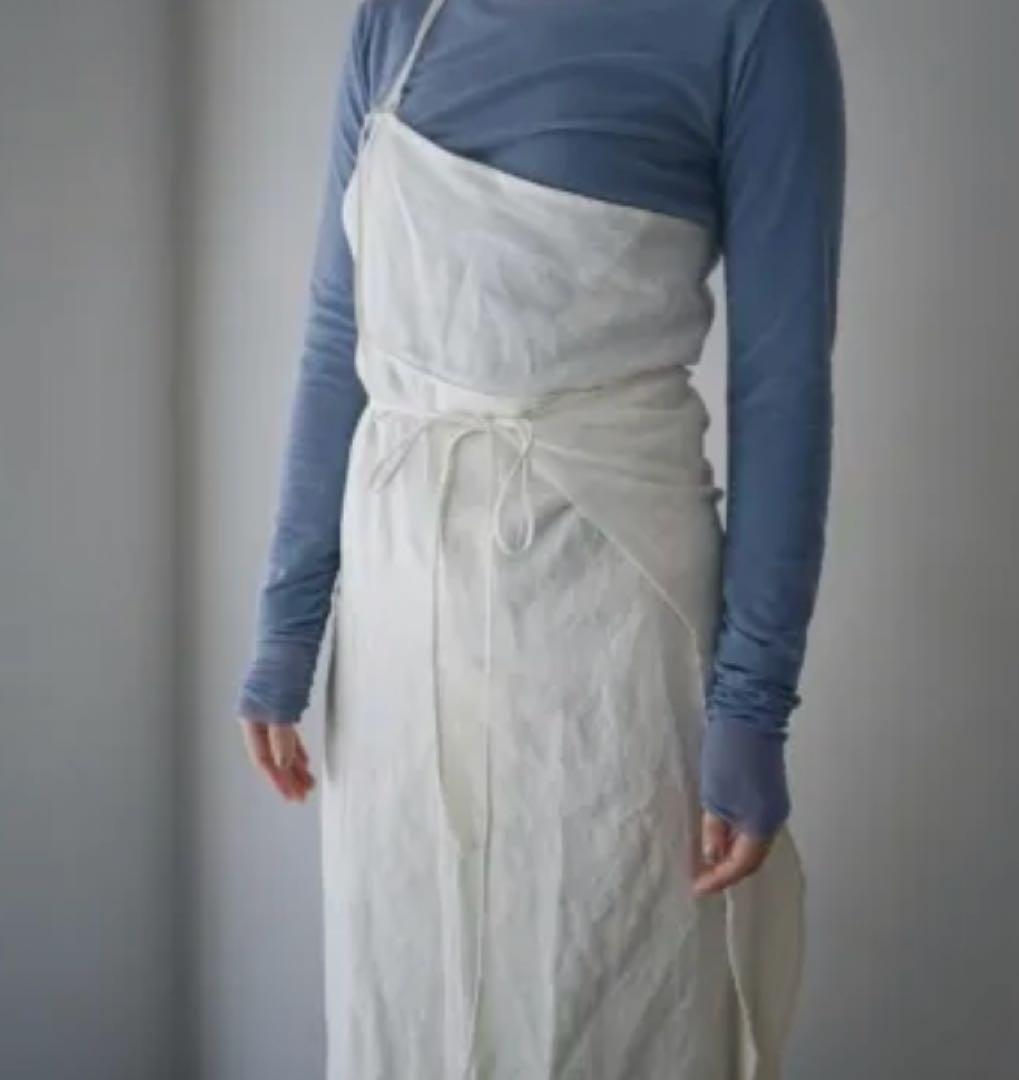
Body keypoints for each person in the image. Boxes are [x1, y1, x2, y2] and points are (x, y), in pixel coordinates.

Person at [236, 0, 845, 1075]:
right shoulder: (396, 16)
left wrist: (753, 701)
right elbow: (342, 329)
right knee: (410, 1000)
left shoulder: (754, 23)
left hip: (605, 622)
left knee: (603, 1001)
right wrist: (287, 624)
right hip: (399, 620)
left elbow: (781, 379)